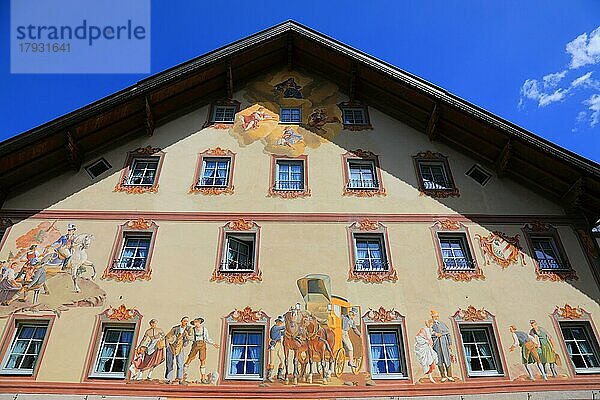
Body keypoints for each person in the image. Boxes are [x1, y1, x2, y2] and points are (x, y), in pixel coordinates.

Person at [184, 317, 219, 383]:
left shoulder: (204, 329)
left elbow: (207, 338)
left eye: (197, 322)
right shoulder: (193, 329)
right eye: (194, 322)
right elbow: (192, 338)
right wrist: (187, 336)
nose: (195, 323)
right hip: (195, 344)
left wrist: (213, 344)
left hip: (202, 345)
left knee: (203, 360)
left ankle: (203, 378)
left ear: (199, 322)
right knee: (189, 359)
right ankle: (183, 375)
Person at [164, 316, 191, 384]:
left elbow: (189, 338)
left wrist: (187, 336)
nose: (186, 322)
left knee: (180, 363)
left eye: (187, 321)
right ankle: (169, 379)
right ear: (181, 321)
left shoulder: (188, 329)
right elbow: (167, 336)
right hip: (171, 346)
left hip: (180, 347)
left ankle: (180, 379)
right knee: (169, 363)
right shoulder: (175, 328)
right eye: (185, 321)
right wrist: (167, 345)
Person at [430, 310, 454, 382]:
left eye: (437, 316)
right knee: (439, 360)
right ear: (432, 317)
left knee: (447, 359)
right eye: (434, 316)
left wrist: (450, 343)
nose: (436, 318)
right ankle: (443, 376)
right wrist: (435, 334)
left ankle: (449, 375)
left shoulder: (442, 324)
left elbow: (448, 334)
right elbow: (428, 332)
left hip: (444, 344)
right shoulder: (431, 324)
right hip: (437, 344)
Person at [415, 319, 438, 383]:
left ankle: (430, 376)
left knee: (432, 359)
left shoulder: (429, 329)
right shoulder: (423, 330)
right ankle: (429, 377)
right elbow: (418, 338)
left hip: (429, 347)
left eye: (432, 324)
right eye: (430, 324)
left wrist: (436, 334)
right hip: (424, 347)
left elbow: (432, 332)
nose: (431, 325)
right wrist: (426, 341)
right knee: (427, 361)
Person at [266, 316, 286, 382]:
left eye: (281, 322)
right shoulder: (275, 328)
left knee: (282, 359)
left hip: (279, 344)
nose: (281, 323)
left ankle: (279, 374)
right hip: (274, 345)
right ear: (277, 322)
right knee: (272, 361)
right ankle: (269, 376)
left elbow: (283, 333)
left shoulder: (278, 329)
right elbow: (284, 328)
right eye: (280, 322)